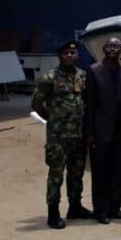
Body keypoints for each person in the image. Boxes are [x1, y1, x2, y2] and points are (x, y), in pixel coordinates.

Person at [32, 40, 93, 229]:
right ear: (60, 56)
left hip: (78, 135)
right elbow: (36, 104)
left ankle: (75, 207)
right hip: (58, 138)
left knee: (76, 174)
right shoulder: (48, 78)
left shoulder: (83, 77)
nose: (69, 56)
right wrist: (53, 120)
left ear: (77, 56)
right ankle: (53, 213)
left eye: (73, 53)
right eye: (66, 53)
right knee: (56, 175)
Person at [84, 37, 121, 224]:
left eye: (116, 46)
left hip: (120, 130)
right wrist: (89, 134)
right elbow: (89, 105)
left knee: (117, 171)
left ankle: (115, 208)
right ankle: (101, 210)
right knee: (100, 173)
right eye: (109, 46)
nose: (112, 49)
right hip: (100, 131)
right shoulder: (94, 71)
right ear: (104, 49)